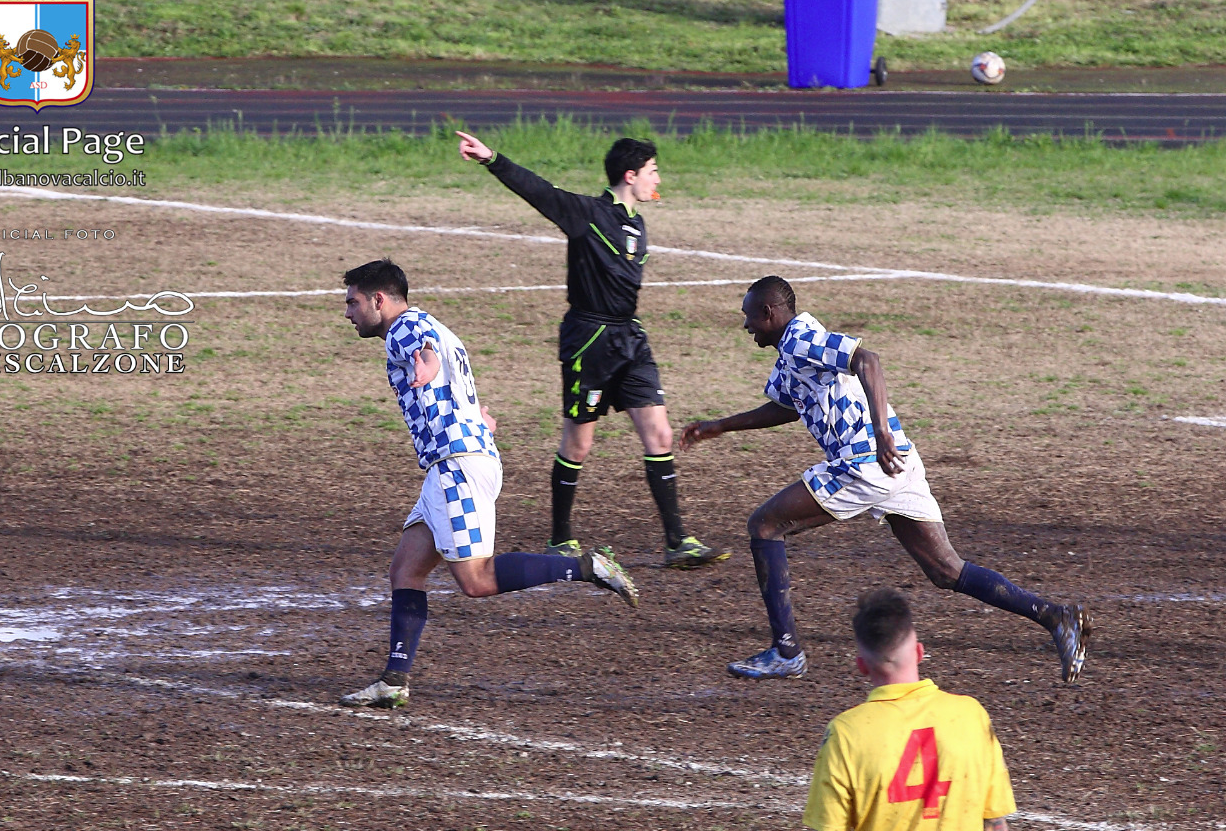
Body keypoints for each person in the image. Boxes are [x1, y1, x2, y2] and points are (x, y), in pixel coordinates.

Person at [680, 275, 1089, 682]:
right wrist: (722, 426)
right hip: (898, 463)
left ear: (769, 313)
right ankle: (1056, 617)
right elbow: (789, 407)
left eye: (749, 316)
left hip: (865, 463)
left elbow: (867, 361)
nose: (746, 326)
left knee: (765, 525)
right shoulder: (794, 350)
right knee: (946, 570)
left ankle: (786, 652)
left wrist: (880, 432)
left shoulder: (801, 339)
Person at [338, 258, 639, 710]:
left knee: (476, 581)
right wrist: (474, 414)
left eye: (353, 302)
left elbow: (423, 352)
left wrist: (425, 366)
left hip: (456, 466)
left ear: (379, 300)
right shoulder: (439, 326)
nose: (347, 313)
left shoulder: (405, 330)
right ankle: (394, 680)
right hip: (457, 462)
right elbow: (453, 381)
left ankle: (587, 567)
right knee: (406, 569)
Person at [455, 130, 728, 570]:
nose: (658, 177)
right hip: (590, 341)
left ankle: (678, 540)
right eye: (652, 171)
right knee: (579, 443)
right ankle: (560, 538)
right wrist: (492, 159)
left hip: (630, 339)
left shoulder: (636, 222)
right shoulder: (588, 214)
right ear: (630, 175)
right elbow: (539, 191)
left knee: (659, 434)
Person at [805, 588, 1014, 831]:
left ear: (862, 666)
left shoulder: (846, 732)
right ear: (918, 652)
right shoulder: (970, 715)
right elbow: (993, 823)